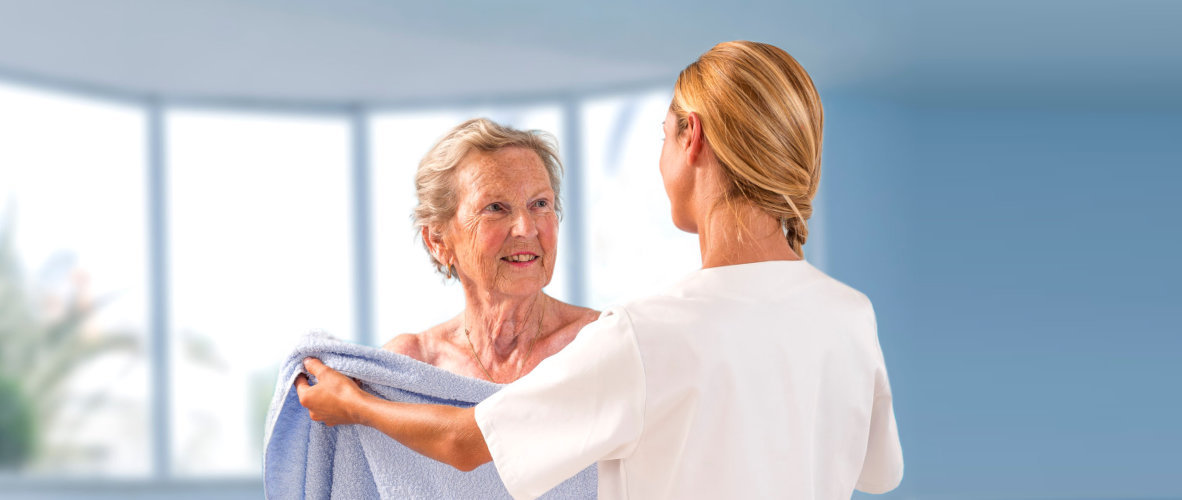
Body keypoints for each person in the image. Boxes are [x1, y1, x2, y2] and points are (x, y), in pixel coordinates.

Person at [296, 40, 903, 499]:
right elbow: (879, 472)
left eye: (664, 135)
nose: (525, 228)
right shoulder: (851, 316)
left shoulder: (643, 335)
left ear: (691, 138)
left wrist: (352, 404)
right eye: (497, 209)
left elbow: (467, 443)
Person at [383, 118, 600, 383]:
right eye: (495, 207)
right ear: (438, 242)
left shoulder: (602, 341)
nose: (526, 228)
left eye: (540, 203)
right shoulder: (410, 364)